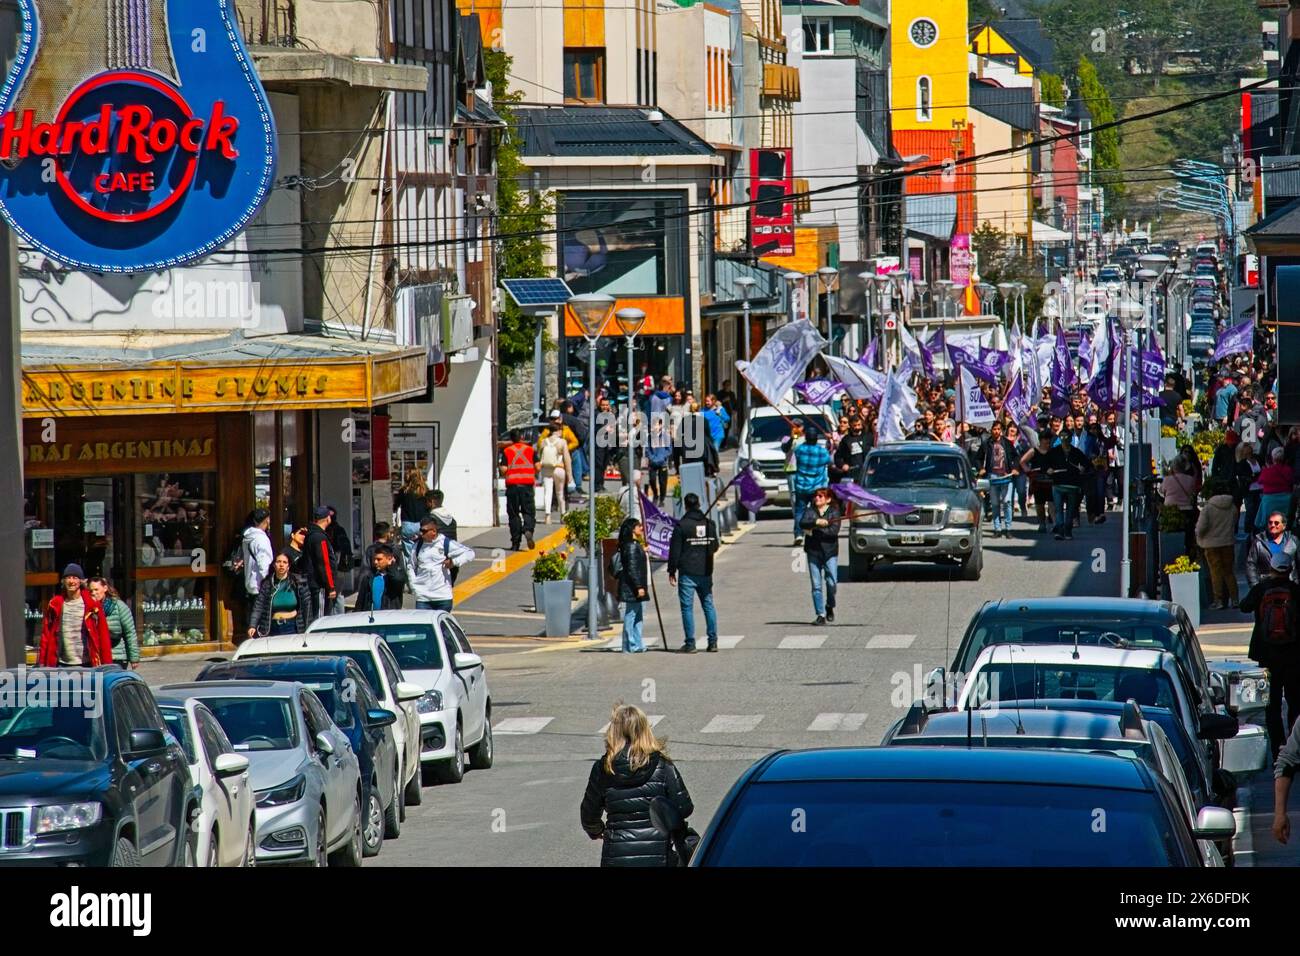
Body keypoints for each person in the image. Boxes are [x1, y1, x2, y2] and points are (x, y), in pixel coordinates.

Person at [580, 704, 694, 866]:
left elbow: (588, 816)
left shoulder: (603, 768)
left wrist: (598, 831)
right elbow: (684, 808)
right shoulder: (662, 765)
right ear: (645, 730)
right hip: (659, 856)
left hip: (617, 858)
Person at [1241, 551, 1300, 761]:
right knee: (1294, 702)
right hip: (1293, 656)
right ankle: (1295, 748)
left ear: (1272, 568)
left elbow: (1244, 606)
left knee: (1272, 704)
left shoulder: (1262, 589)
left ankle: (1277, 750)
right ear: (1290, 569)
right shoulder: (1295, 590)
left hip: (1267, 655)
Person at [667, 492, 720, 653]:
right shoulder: (709, 524)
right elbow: (715, 546)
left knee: (687, 608)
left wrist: (671, 570)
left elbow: (675, 551)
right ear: (699, 504)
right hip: (705, 571)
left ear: (686, 505)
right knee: (708, 606)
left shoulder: (681, 526)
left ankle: (690, 643)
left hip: (687, 572)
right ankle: (713, 642)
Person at [37, 564, 112, 667]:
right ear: (63, 581)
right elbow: (46, 634)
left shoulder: (92, 605)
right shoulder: (55, 604)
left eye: (75, 578)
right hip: (61, 664)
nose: (71, 581)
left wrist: (107, 664)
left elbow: (103, 636)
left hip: (87, 664)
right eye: (68, 578)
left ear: (81, 581)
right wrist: (41, 662)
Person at [410, 515, 475, 611]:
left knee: (441, 625)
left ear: (434, 531)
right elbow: (410, 566)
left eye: (424, 531)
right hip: (423, 598)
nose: (421, 533)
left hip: (443, 598)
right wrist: (414, 586)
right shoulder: (417, 546)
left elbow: (470, 553)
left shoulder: (446, 543)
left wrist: (454, 562)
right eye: (421, 530)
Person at [799, 488, 841, 626]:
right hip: (813, 552)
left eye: (820, 496)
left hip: (829, 552)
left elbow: (833, 531)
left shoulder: (834, 512)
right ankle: (820, 614)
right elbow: (803, 523)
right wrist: (817, 522)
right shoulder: (810, 511)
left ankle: (830, 605)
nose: (817, 498)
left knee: (832, 582)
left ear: (828, 499)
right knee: (816, 586)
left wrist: (819, 527)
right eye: (816, 496)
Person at [1196, 480, 1240, 610]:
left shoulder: (1208, 508)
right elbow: (1235, 522)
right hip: (1228, 542)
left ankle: (1218, 600)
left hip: (1211, 544)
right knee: (1229, 572)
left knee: (1215, 573)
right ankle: (1235, 599)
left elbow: (1201, 528)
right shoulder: (1232, 507)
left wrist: (1198, 536)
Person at [247, 552, 313, 637]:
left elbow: (307, 606)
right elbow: (258, 605)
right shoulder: (267, 584)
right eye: (278, 562)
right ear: (274, 565)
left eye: (284, 562)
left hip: (293, 627)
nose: (281, 565)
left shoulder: (298, 582)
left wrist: (308, 628)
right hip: (272, 627)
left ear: (288, 566)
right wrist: (252, 625)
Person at [613, 518, 649, 653]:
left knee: (638, 616)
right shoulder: (632, 546)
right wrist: (639, 587)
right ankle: (629, 645)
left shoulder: (633, 545)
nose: (641, 528)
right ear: (632, 529)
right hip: (632, 587)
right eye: (638, 526)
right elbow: (632, 568)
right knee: (631, 615)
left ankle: (638, 643)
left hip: (635, 586)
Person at [792, 428, 831, 547]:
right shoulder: (822, 451)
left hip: (801, 486)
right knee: (817, 510)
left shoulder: (800, 450)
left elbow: (795, 455)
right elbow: (829, 460)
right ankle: (817, 532)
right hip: (817, 487)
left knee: (800, 510)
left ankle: (799, 534)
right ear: (816, 439)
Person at [87, 577, 138, 670]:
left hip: (116, 656)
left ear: (105, 588)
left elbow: (130, 632)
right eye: (91, 590)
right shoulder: (90, 608)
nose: (93, 593)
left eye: (96, 589)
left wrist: (134, 658)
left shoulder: (119, 606)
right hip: (97, 656)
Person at [500, 429, 537, 550]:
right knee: (529, 512)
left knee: (514, 514)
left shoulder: (507, 451)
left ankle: (515, 543)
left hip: (512, 487)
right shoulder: (531, 450)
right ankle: (528, 530)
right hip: (527, 486)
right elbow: (538, 466)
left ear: (511, 439)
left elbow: (504, 470)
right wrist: (530, 473)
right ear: (521, 437)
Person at [980, 421, 1019, 538]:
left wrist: (1014, 468)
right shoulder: (986, 443)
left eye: (998, 429)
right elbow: (978, 458)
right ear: (991, 430)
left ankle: (1008, 528)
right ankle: (997, 529)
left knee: (1007, 502)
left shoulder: (1007, 443)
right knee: (995, 503)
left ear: (1001, 430)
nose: (996, 431)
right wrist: (981, 468)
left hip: (1006, 476)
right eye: (994, 429)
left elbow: (1016, 456)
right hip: (992, 476)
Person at [1161, 455, 1202, 560]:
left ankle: (1171, 557)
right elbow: (1193, 492)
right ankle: (1189, 557)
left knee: (1169, 536)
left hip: (1170, 511)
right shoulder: (1190, 479)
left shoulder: (1167, 480)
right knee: (1188, 536)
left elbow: (1162, 492)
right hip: (1187, 511)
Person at [1246, 511, 1300, 588]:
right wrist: (1255, 586)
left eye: (1276, 523)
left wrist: (1296, 584)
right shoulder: (1259, 542)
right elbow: (1251, 565)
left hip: (1290, 585)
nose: (1273, 525)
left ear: (1284, 526)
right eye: (1270, 523)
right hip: (1266, 585)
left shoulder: (1293, 540)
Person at [304, 505, 339, 618]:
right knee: (320, 617)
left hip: (316, 583)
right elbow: (324, 563)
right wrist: (330, 586)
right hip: (320, 585)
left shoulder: (312, 534)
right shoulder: (319, 537)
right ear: (327, 518)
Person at [536, 418, 573, 525]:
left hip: (547, 469)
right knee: (560, 493)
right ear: (559, 431)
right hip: (559, 469)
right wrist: (569, 475)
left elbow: (540, 456)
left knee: (547, 492)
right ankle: (563, 515)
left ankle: (547, 516)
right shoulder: (562, 442)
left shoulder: (543, 442)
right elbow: (567, 459)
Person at [355, 543, 408, 613]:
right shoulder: (369, 577)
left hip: (388, 617)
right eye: (374, 559)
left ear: (389, 559)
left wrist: (392, 566)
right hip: (371, 617)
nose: (375, 562)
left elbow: (398, 580)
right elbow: (360, 600)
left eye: (379, 559)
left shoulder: (396, 575)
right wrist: (357, 613)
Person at [240, 508, 273, 612]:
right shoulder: (261, 539)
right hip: (260, 587)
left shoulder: (249, 537)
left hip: (251, 586)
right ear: (267, 520)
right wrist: (270, 585)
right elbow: (264, 564)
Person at [396, 469, 430, 570]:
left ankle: (411, 577)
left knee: (408, 555)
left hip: (408, 525)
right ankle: (422, 573)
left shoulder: (403, 491)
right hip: (423, 524)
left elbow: (396, 505)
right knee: (423, 550)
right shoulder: (425, 490)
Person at [1256, 446, 1293, 532]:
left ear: (1273, 458)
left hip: (1270, 500)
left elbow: (1260, 481)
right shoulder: (1288, 470)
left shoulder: (1267, 471)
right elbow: (1291, 481)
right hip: (1285, 500)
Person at [833, 417, 871, 484]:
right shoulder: (846, 439)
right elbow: (837, 457)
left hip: (867, 472)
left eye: (859, 425)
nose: (857, 427)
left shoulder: (868, 437)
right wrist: (843, 465)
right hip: (852, 472)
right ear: (850, 425)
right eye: (855, 425)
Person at [1238, 441, 1263, 537]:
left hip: (1260, 489)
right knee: (1250, 511)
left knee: (1258, 510)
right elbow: (1245, 476)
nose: (1249, 450)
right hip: (1249, 490)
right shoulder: (1242, 463)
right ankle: (1248, 532)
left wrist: (1256, 476)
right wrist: (1254, 477)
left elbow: (1262, 471)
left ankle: (1257, 531)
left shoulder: (1257, 459)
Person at [646, 417, 672, 507]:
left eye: (656, 425)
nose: (654, 427)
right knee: (652, 479)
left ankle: (662, 498)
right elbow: (647, 449)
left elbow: (669, 450)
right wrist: (651, 457)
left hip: (662, 462)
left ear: (660, 425)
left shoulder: (666, 436)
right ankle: (655, 494)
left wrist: (662, 457)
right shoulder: (650, 436)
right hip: (653, 462)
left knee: (663, 482)